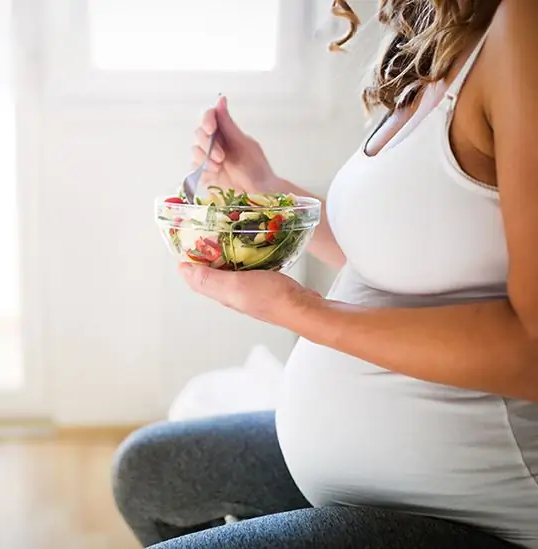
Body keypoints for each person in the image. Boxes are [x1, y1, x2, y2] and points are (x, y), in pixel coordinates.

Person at [113, 0, 538, 547]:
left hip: (475, 514)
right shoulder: (441, 39)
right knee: (147, 475)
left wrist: (299, 309)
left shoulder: (521, 28)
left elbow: (532, 349)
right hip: (374, 483)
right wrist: (263, 182)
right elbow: (395, 252)